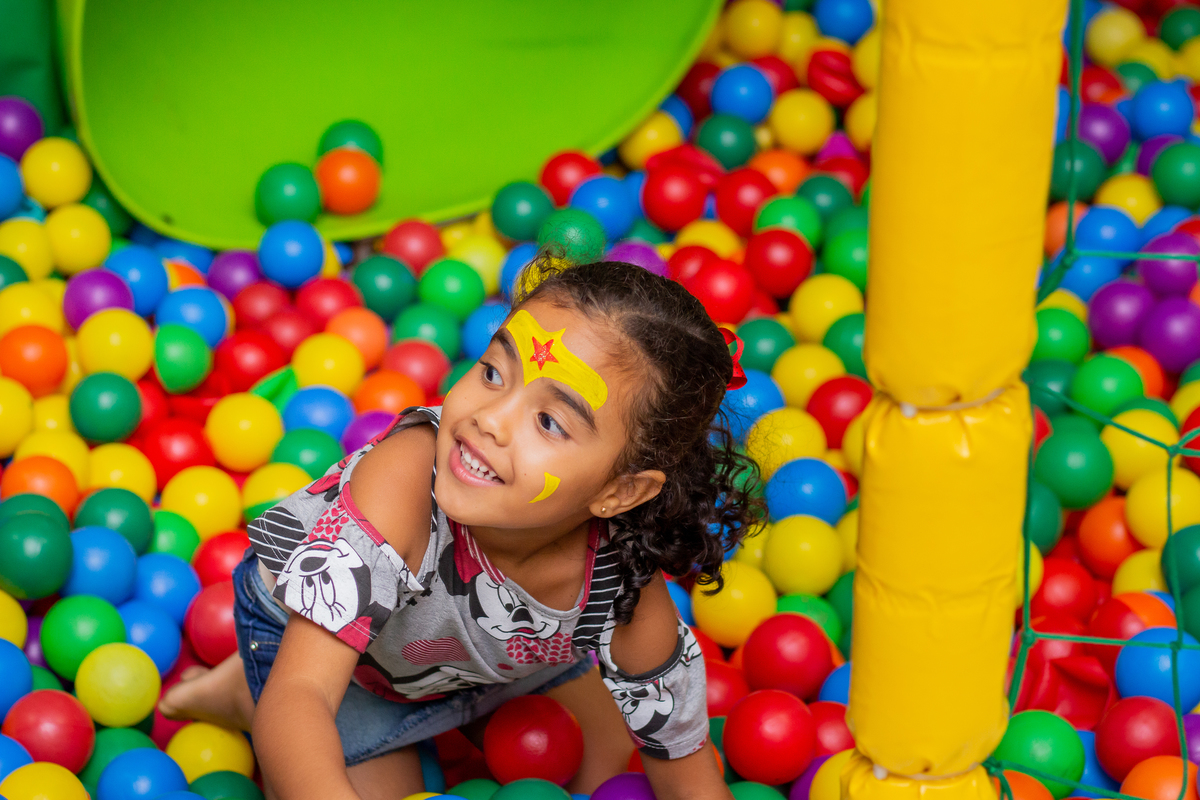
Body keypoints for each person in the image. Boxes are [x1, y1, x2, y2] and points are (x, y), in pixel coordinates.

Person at [161, 256, 763, 799]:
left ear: (619, 492)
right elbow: (302, 698)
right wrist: (283, 706)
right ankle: (243, 689)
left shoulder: (624, 588)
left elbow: (686, 773)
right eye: (494, 373)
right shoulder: (404, 482)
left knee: (604, 765)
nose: (490, 421)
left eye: (550, 422)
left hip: (489, 662)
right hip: (346, 662)